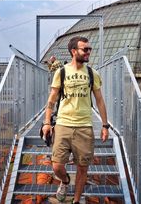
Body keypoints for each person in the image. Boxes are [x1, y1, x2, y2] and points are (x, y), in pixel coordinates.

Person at [42, 36, 109, 204]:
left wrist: (105, 125)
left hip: (84, 126)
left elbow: (100, 100)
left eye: (89, 49)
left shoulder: (92, 74)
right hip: (64, 123)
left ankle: (77, 200)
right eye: (85, 49)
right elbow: (52, 98)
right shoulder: (62, 72)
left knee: (82, 167)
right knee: (57, 165)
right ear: (74, 51)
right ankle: (64, 181)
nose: (88, 52)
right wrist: (47, 122)